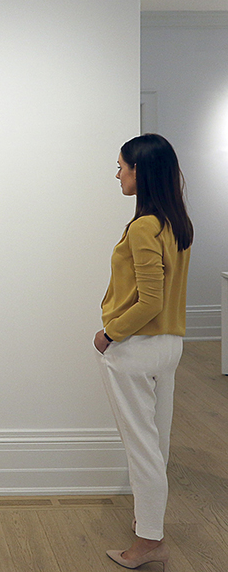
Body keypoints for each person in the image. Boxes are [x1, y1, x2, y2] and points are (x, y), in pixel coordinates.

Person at [94, 133, 193, 571]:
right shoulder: (176, 223)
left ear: (141, 171)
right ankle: (150, 530)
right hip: (169, 346)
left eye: (121, 166)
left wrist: (110, 333)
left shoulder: (142, 226)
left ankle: (148, 542)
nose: (117, 173)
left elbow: (149, 300)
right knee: (158, 444)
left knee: (142, 449)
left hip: (136, 348)